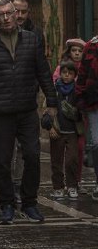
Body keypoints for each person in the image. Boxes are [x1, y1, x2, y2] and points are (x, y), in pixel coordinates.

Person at [0, 0, 57, 224]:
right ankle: (6, 204)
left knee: (32, 156)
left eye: (9, 13)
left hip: (26, 110)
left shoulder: (31, 40)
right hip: (1, 112)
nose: (6, 18)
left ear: (17, 15)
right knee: (2, 161)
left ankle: (30, 203)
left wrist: (51, 102)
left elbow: (43, 71)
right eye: (1, 14)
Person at [45, 60, 81, 200]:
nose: (66, 76)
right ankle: (58, 187)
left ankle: (72, 186)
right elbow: (47, 110)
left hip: (72, 131)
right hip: (58, 130)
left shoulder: (77, 90)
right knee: (56, 160)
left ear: (74, 75)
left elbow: (81, 110)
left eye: (70, 73)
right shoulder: (54, 89)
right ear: (60, 74)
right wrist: (50, 127)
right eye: (64, 73)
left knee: (72, 160)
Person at [75, 34, 98, 201]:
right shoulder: (91, 45)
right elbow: (82, 74)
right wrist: (81, 97)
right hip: (94, 102)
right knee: (96, 143)